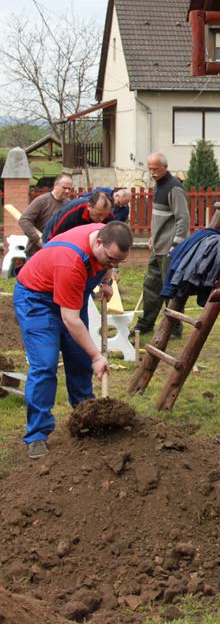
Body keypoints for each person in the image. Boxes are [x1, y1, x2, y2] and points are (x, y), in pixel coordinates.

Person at [13, 220, 133, 459]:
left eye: (118, 262)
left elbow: (108, 261)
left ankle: (86, 418)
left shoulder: (105, 235)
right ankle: (37, 434)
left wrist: (106, 280)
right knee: (45, 364)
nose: (113, 265)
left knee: (79, 359)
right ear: (98, 242)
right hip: (37, 301)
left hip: (68, 294)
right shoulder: (71, 261)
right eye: (110, 260)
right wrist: (97, 356)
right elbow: (70, 319)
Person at [130, 152, 190, 338]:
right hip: (157, 247)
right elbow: (160, 218)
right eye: (150, 169)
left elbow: (183, 218)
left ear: (165, 167)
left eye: (156, 169)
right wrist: (152, 237)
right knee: (150, 286)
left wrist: (176, 244)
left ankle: (174, 328)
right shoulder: (158, 186)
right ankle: (146, 324)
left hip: (169, 249)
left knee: (169, 290)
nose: (152, 172)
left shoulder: (174, 188)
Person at [18, 174, 73, 257]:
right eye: (64, 188)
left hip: (58, 252)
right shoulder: (41, 201)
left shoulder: (69, 205)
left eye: (69, 189)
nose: (67, 191)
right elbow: (24, 220)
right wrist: (38, 240)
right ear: (55, 185)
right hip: (36, 253)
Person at [42, 190, 113, 243]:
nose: (102, 219)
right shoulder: (74, 211)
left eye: (105, 215)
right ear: (89, 206)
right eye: (98, 214)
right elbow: (56, 232)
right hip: (53, 233)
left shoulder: (109, 216)